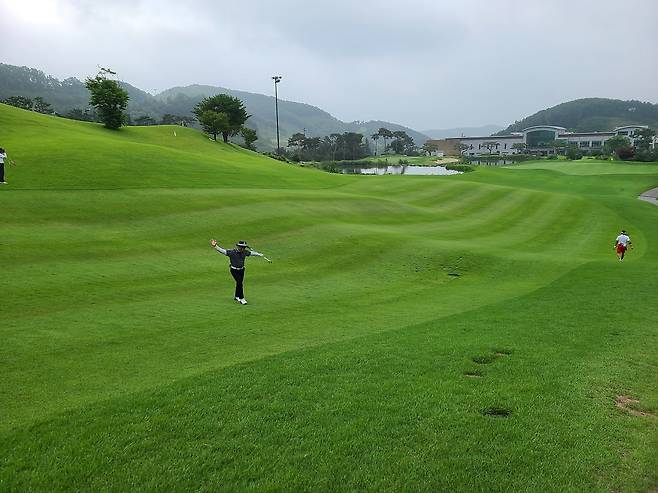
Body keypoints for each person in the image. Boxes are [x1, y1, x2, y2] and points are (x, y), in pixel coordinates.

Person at [210, 239, 271, 304]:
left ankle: (236, 296)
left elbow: (251, 253)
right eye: (242, 247)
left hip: (242, 270)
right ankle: (242, 298)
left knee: (239, 283)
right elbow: (222, 251)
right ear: (238, 246)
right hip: (234, 270)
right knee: (239, 283)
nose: (243, 249)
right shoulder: (232, 252)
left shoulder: (245, 252)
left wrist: (259, 254)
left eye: (244, 247)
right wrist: (215, 246)